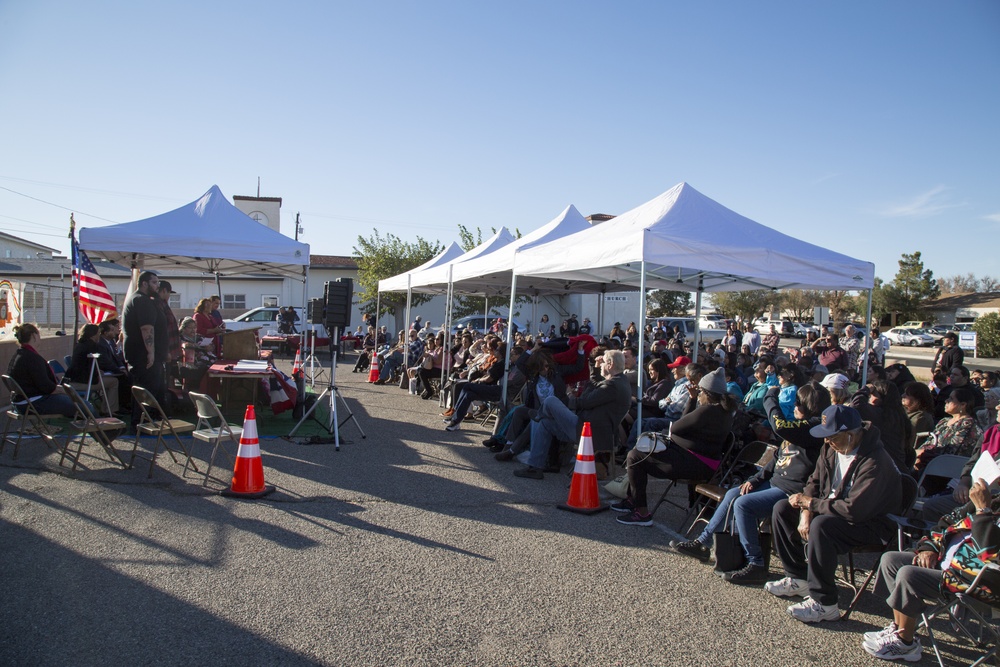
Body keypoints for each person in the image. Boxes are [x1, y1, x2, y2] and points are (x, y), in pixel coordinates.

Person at [671, 382, 831, 584]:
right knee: (733, 494)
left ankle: (755, 562)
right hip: (774, 482)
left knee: (743, 505)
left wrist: (770, 398)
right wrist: (754, 480)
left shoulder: (814, 429)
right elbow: (776, 460)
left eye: (798, 403)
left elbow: (780, 427)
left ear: (808, 406)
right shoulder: (800, 427)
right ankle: (703, 543)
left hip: (791, 490)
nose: (795, 406)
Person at [766, 405, 902, 623]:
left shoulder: (875, 462)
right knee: (782, 509)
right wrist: (806, 511)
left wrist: (812, 505)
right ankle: (797, 577)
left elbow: (854, 510)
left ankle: (824, 603)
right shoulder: (831, 449)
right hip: (831, 510)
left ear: (851, 435)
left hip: (871, 523)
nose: (827, 441)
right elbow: (814, 481)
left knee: (823, 526)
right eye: (825, 437)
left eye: (832, 437)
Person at [860, 479, 1000, 662]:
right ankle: (899, 628)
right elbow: (944, 524)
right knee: (891, 560)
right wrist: (929, 548)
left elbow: (990, 554)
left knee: (908, 574)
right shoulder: (993, 499)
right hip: (947, 565)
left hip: (979, 583)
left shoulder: (985, 504)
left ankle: (905, 642)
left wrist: (983, 511)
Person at [613, 366, 737, 525]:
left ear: (707, 393)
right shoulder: (724, 412)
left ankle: (641, 511)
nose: (698, 395)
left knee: (635, 456)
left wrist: (678, 430)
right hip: (704, 463)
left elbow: (677, 427)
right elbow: (682, 427)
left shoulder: (706, 411)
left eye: (700, 392)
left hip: (695, 464)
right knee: (641, 453)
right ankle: (633, 501)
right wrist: (692, 400)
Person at [513, 348, 630, 480]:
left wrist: (566, 402)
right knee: (543, 422)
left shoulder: (612, 385)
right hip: (588, 427)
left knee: (551, 401)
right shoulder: (619, 381)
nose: (600, 364)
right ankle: (535, 467)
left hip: (589, 431)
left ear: (610, 365)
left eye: (602, 363)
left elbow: (585, 401)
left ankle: (540, 413)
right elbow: (593, 390)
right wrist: (595, 369)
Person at [123, 271, 168, 427]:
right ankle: (140, 424)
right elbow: (146, 328)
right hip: (143, 355)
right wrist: (151, 352)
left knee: (151, 389)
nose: (157, 286)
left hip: (145, 355)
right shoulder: (141, 301)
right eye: (154, 282)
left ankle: (147, 421)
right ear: (144, 283)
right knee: (145, 391)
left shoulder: (142, 300)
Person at [6, 323, 76, 417]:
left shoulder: (19, 354)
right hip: (32, 403)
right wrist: (64, 390)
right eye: (38, 334)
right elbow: (47, 387)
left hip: (20, 402)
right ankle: (97, 428)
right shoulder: (31, 358)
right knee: (82, 406)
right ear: (34, 336)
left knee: (76, 402)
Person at [914, 386, 984, 480]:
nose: (946, 401)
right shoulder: (944, 421)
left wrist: (923, 453)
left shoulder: (968, 424)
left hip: (945, 472)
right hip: (928, 463)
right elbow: (929, 442)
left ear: (963, 404)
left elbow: (951, 452)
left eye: (951, 399)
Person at [63, 323, 121, 415]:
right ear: (93, 334)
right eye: (98, 333)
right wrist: (118, 370)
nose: (99, 335)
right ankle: (109, 410)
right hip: (81, 383)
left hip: (73, 380)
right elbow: (102, 362)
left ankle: (105, 408)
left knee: (108, 380)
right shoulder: (92, 346)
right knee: (114, 381)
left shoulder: (81, 344)